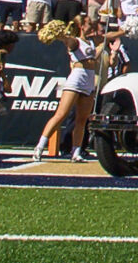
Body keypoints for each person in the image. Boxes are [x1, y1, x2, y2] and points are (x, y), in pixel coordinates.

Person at [33, 14, 120, 162]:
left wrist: (126, 30)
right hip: (77, 78)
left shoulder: (92, 41)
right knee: (61, 114)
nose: (92, 25)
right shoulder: (76, 41)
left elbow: (109, 36)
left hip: (89, 80)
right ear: (81, 26)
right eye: (88, 23)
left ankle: (76, 152)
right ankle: (39, 147)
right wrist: (60, 36)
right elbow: (68, 41)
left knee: (82, 119)